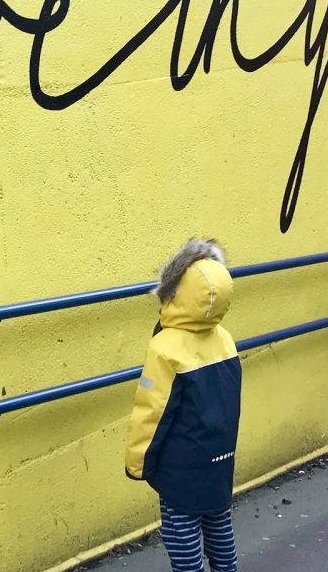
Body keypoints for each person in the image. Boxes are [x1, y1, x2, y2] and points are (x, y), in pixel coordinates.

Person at [124, 238, 241, 572]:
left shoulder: (165, 348)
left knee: (183, 539)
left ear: (174, 292)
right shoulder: (225, 340)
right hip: (219, 464)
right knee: (220, 529)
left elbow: (152, 412)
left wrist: (138, 464)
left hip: (181, 471)